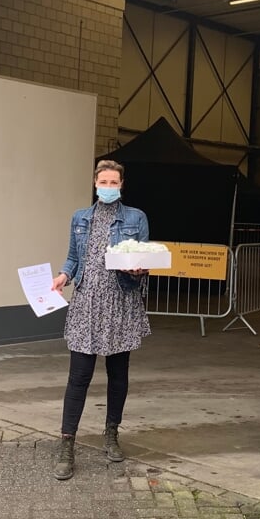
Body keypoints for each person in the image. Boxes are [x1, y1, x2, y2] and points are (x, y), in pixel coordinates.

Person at [47, 160, 152, 480]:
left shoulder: (136, 218)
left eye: (113, 182)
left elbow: (144, 257)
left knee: (118, 374)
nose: (108, 187)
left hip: (121, 302)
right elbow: (73, 257)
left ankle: (111, 433)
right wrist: (63, 275)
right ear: (95, 184)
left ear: (122, 185)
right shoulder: (80, 218)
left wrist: (138, 268)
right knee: (78, 376)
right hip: (86, 304)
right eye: (103, 182)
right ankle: (67, 444)